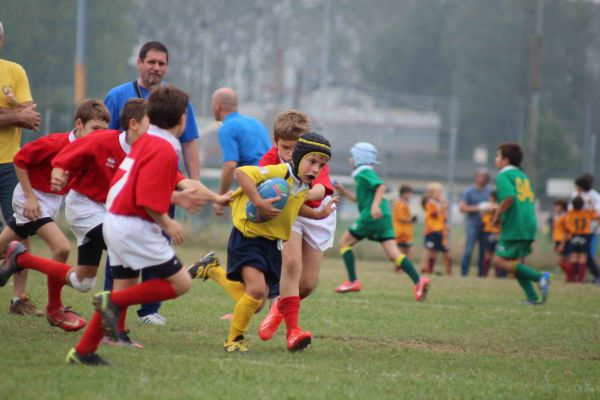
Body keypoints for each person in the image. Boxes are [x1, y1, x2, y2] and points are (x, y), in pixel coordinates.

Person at [55, 86, 228, 365]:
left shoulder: (145, 141)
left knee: (126, 284)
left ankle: (84, 350)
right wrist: (168, 222)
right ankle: (111, 303)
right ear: (182, 119)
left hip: (114, 220)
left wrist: (205, 198)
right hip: (134, 226)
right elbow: (147, 197)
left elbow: (145, 186)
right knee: (181, 283)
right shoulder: (165, 148)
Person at [196, 132, 332, 353]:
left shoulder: (302, 186)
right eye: (312, 161)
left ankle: (211, 270)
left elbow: (296, 206)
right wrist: (258, 201)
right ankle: (234, 339)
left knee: (257, 300)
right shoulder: (280, 172)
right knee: (258, 291)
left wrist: (319, 215)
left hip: (271, 244)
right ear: (297, 158)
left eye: (321, 165)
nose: (316, 169)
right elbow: (242, 173)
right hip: (248, 238)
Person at [103, 41, 202, 324]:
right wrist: (169, 219)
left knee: (129, 268)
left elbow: (191, 142)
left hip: (128, 205)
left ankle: (132, 318)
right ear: (139, 62)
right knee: (171, 277)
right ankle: (113, 303)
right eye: (152, 62)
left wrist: (191, 187)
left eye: (162, 63)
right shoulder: (120, 98)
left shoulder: (173, 105)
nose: (156, 67)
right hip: (127, 204)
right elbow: (106, 139)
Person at [0, 99, 110, 329]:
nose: (98, 135)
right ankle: (55, 309)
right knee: (61, 248)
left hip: (50, 203)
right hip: (31, 200)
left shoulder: (89, 152)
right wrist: (29, 197)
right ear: (79, 124)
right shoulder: (56, 142)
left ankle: (12, 258)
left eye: (103, 131)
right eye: (94, 129)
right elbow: (20, 160)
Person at [255, 110, 338, 350]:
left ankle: (278, 306)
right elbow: (256, 183)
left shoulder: (314, 158)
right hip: (290, 213)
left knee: (308, 283)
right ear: (275, 142)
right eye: (286, 148)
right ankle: (294, 332)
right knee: (291, 264)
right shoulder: (270, 159)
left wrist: (299, 194)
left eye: (296, 148)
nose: (291, 154)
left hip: (314, 213)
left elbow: (320, 191)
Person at [333, 142, 429, 300]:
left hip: (373, 216)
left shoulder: (363, 171)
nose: (350, 159)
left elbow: (381, 187)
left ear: (358, 158)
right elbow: (360, 199)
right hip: (384, 216)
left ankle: (352, 281)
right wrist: (343, 191)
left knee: (344, 243)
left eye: (352, 156)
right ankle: (419, 281)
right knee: (394, 254)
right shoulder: (362, 174)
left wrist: (375, 206)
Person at [0, 20, 42, 316]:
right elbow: (22, 116)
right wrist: (13, 114)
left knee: (21, 226)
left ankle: (19, 298)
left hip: (9, 162)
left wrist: (9, 113)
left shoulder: (14, 71)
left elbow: (31, 117)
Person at [491, 142, 551, 304]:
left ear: (506, 160)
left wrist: (497, 214)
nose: (495, 159)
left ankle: (541, 277)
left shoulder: (503, 175)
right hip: (528, 223)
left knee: (498, 261)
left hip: (515, 225)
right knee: (514, 263)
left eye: (497, 156)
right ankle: (532, 297)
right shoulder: (523, 176)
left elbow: (509, 197)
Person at [211, 87, 272, 216]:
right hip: (272, 184)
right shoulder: (256, 123)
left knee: (244, 232)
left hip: (254, 187)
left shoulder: (227, 127)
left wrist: (220, 198)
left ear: (217, 106)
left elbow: (230, 165)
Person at [458, 169, 491, 277]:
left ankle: (481, 275)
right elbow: (462, 207)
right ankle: (464, 273)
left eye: (484, 176)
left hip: (486, 227)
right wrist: (478, 208)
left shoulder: (489, 192)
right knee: (468, 250)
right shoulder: (469, 191)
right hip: (472, 225)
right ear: (475, 177)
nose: (481, 178)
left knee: (483, 252)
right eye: (479, 176)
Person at [572, 174, 600, 283]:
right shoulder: (576, 195)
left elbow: (597, 213)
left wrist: (597, 227)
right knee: (580, 254)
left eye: (577, 186)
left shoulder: (594, 196)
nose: (576, 188)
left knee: (587, 254)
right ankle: (580, 277)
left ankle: (596, 275)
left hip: (590, 230)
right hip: (577, 230)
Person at [420, 182, 452, 275]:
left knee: (436, 252)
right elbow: (435, 214)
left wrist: (445, 225)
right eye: (439, 192)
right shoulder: (430, 203)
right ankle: (424, 268)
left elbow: (443, 217)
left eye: (441, 192)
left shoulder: (439, 203)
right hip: (431, 231)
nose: (441, 194)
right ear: (432, 193)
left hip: (440, 230)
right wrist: (442, 204)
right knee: (429, 250)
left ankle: (431, 269)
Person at [564, 196, 598, 283]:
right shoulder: (586, 212)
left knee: (574, 257)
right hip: (585, 236)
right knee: (582, 257)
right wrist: (591, 204)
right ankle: (580, 279)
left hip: (574, 235)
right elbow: (596, 215)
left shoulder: (571, 213)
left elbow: (567, 223)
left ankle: (572, 278)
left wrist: (573, 231)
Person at [480, 191, 501, 277]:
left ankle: (494, 275)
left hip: (494, 232)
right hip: (491, 232)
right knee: (490, 254)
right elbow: (482, 216)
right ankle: (486, 275)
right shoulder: (487, 206)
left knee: (493, 255)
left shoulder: (498, 207)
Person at [551, 199, 572, 282]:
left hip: (564, 240)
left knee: (563, 261)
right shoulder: (557, 216)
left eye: (558, 206)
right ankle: (570, 277)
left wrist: (562, 244)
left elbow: (566, 231)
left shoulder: (565, 216)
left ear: (563, 207)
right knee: (562, 261)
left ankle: (571, 276)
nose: (556, 207)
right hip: (558, 239)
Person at [393, 185, 415, 259]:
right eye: (409, 193)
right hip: (401, 232)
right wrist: (411, 219)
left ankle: (401, 267)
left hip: (405, 232)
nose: (410, 195)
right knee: (402, 251)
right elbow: (401, 218)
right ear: (404, 193)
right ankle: (399, 268)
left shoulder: (404, 203)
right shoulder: (400, 203)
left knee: (406, 251)